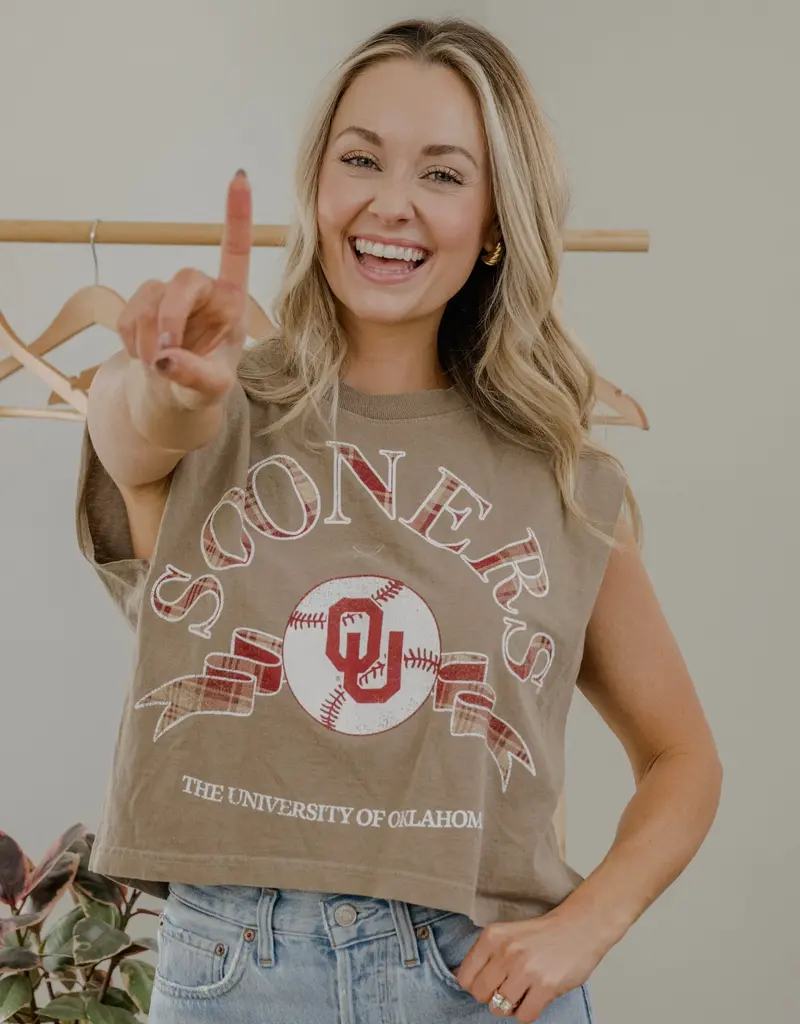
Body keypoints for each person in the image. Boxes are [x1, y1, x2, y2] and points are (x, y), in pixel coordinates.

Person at [76, 17, 723, 1024]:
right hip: (240, 974)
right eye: (360, 159)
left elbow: (682, 758)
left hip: (474, 982)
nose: (390, 203)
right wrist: (168, 383)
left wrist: (585, 922)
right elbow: (134, 426)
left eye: (443, 174)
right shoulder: (217, 417)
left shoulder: (561, 477)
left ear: (497, 217)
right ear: (317, 186)